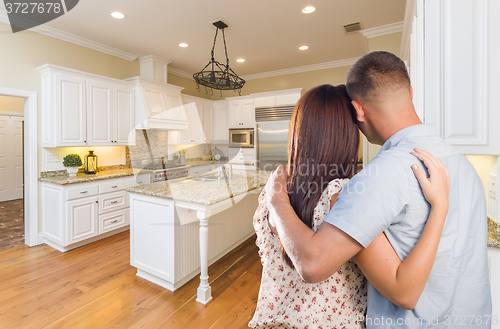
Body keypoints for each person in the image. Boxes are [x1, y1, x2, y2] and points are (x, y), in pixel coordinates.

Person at [264, 52, 492, 328]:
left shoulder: (379, 176)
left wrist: (276, 200)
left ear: (358, 110)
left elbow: (312, 264)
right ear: (409, 91)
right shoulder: (461, 163)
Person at [249, 84, 451, 329]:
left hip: (273, 322)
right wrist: (440, 205)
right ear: (347, 135)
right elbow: (404, 291)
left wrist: (276, 200)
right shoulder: (343, 196)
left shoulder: (274, 188)